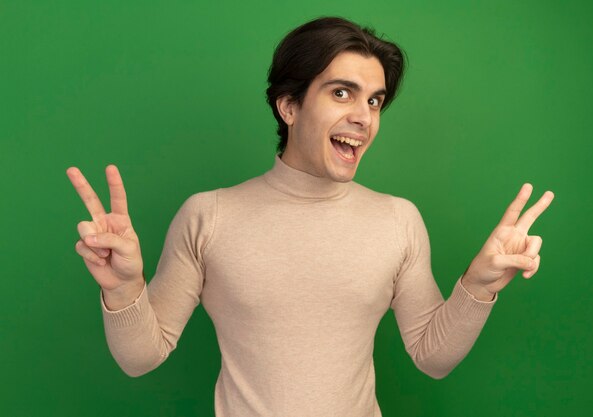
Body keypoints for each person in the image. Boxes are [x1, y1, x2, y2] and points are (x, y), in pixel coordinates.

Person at [66, 16, 554, 417]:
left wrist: (479, 285)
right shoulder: (209, 217)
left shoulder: (398, 221)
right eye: (341, 93)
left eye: (374, 100)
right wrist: (123, 288)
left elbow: (433, 357)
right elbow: (140, 358)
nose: (364, 116)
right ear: (289, 106)